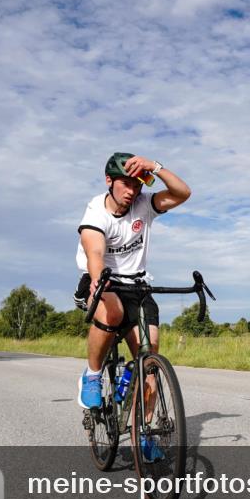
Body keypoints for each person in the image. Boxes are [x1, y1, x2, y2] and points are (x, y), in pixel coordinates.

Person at [73, 152, 191, 458]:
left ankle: (145, 431)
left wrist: (155, 167)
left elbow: (182, 193)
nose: (132, 191)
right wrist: (98, 281)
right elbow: (94, 253)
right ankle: (92, 375)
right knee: (111, 311)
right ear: (109, 181)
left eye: (137, 185)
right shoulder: (96, 211)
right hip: (104, 281)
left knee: (150, 361)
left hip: (138, 285)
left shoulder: (144, 205)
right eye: (126, 184)